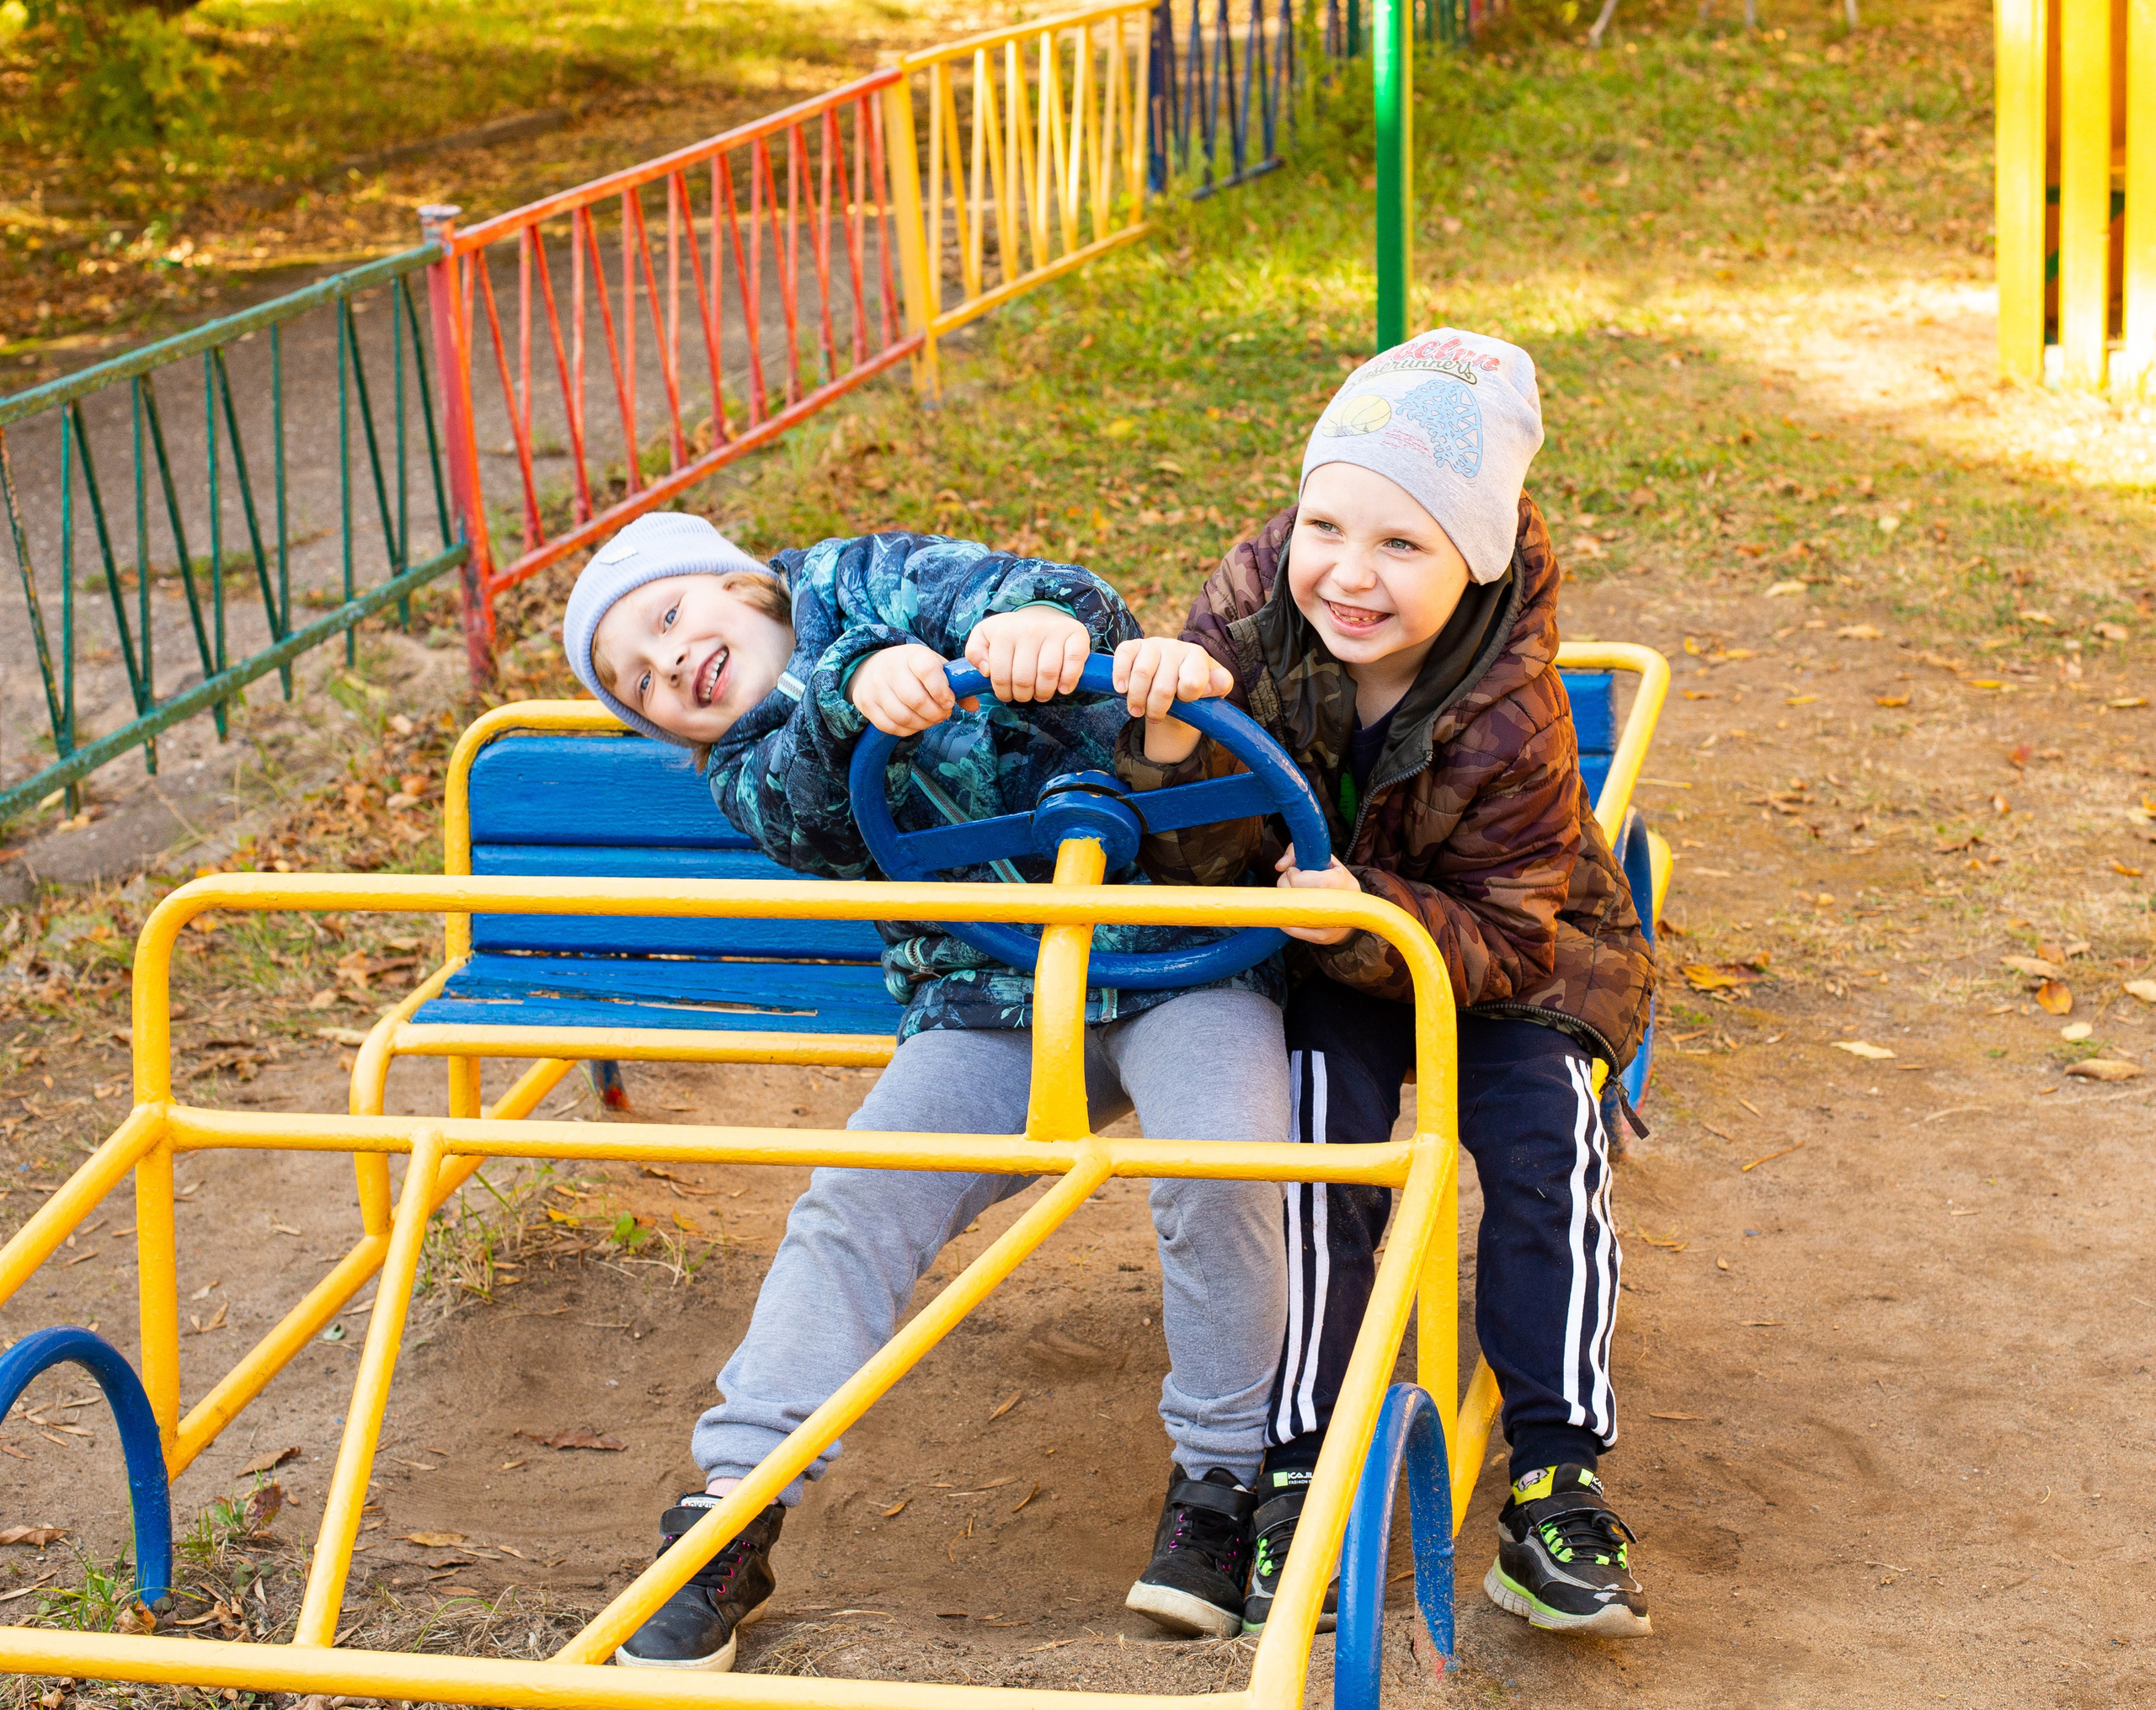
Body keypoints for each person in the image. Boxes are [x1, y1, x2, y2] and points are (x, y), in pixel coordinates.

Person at [562, 512, 1294, 1669]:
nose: (669, 664)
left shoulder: (873, 575)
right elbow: (806, 816)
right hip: (983, 998)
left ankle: (1221, 1480)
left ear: (736, 582)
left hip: (1179, 955)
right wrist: (855, 690)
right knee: (857, 1203)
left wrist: (1026, 633)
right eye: (637, 682)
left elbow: (1057, 600)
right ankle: (734, 1505)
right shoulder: (747, 766)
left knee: (1231, 1173)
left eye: (667, 616)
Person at [1112, 328, 1657, 1639]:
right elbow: (1196, 858)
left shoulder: (1514, 704)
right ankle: (1304, 1450)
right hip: (1324, 949)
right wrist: (1167, 743)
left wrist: (1372, 913)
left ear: (1468, 557)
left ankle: (1556, 1475)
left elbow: (1515, 932)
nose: (1347, 575)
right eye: (1327, 526)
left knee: (1546, 1143)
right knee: (1315, 1132)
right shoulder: (1251, 606)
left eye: (1401, 546)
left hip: (1506, 954)